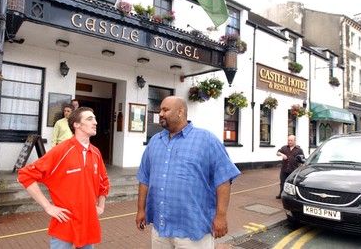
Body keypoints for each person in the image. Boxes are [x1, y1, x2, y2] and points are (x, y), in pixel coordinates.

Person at [136, 96, 241, 249]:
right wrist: (141, 210)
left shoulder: (206, 139)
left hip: (193, 232)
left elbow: (223, 179)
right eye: (160, 110)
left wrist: (221, 216)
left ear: (180, 112)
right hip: (160, 228)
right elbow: (144, 178)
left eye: (165, 110)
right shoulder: (155, 142)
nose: (160, 114)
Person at [18, 107, 110, 248]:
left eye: (95, 118)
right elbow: (25, 175)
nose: (95, 122)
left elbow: (103, 182)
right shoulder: (62, 150)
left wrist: (101, 205)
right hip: (65, 223)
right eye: (90, 119)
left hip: (88, 224)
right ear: (76, 124)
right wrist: (48, 207)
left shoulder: (96, 153)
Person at [276, 134, 304, 199]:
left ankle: (292, 196)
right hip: (284, 169)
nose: (289, 142)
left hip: (293, 170)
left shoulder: (299, 150)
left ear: (295, 141)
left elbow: (302, 159)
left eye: (291, 140)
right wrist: (282, 154)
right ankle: (281, 194)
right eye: (288, 140)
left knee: (292, 184)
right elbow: (277, 152)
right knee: (282, 182)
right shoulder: (284, 148)